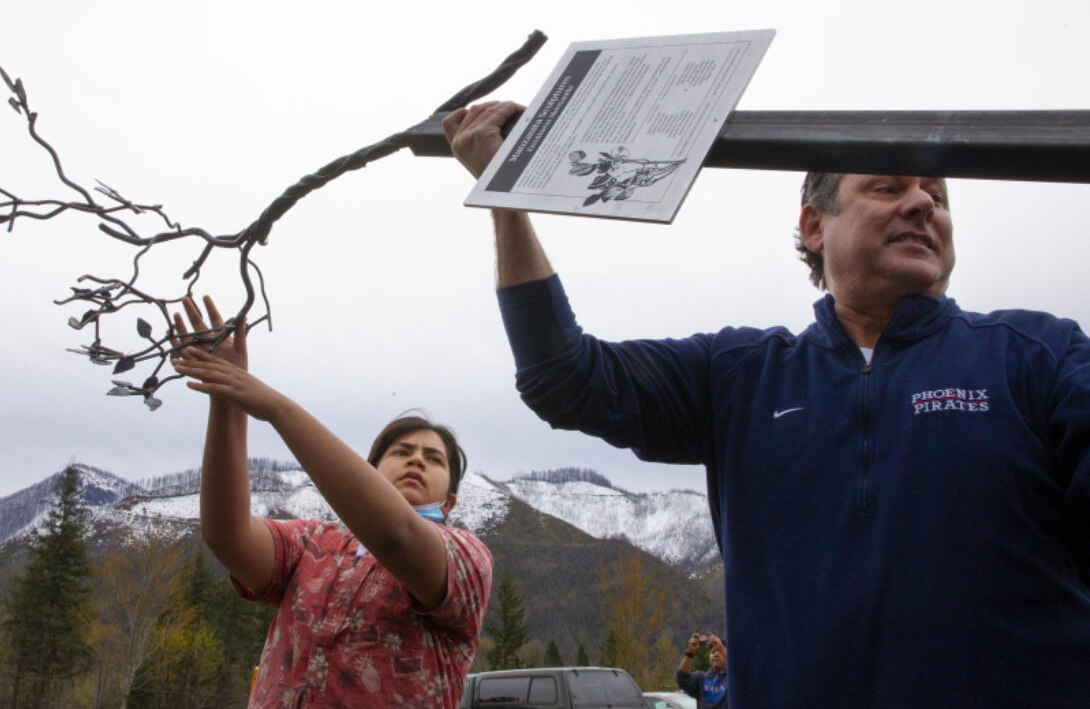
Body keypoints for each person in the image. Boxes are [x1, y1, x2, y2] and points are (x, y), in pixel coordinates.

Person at [444, 102, 1090, 707]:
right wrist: (507, 200)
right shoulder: (741, 376)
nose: (923, 202)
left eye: (938, 194)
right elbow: (563, 376)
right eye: (889, 188)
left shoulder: (1038, 354)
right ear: (814, 224)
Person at [171, 296, 493, 709]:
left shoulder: (468, 558)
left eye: (433, 459)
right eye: (401, 451)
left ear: (449, 502)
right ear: (369, 471)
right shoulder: (313, 542)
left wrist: (275, 407)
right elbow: (227, 536)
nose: (416, 458)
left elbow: (398, 535)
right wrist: (228, 399)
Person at [676, 633, 728, 709]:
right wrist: (690, 653)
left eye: (719, 651)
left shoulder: (734, 679)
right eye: (713, 652)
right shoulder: (701, 679)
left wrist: (721, 648)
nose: (716, 654)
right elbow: (681, 679)